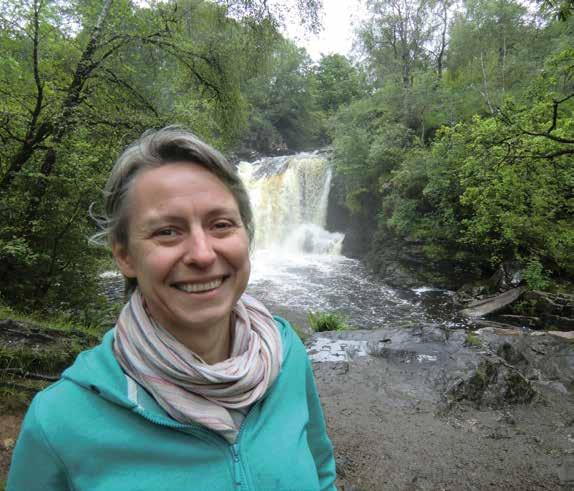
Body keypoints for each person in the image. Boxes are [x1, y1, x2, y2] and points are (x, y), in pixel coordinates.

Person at [7, 127, 337, 490]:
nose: (202, 254)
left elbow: (321, 471)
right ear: (125, 256)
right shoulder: (59, 421)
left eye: (221, 225)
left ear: (246, 233)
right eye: (167, 231)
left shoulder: (286, 354)